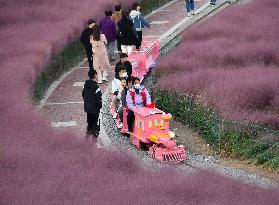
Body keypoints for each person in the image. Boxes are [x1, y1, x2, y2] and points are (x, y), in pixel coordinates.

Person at [82, 69, 102, 137]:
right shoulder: (96, 86)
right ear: (95, 75)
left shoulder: (85, 85)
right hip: (94, 107)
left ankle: (89, 129)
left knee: (89, 118)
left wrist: (87, 102)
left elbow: (83, 94)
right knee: (95, 119)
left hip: (87, 106)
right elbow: (98, 98)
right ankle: (94, 130)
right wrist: (100, 106)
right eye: (96, 74)